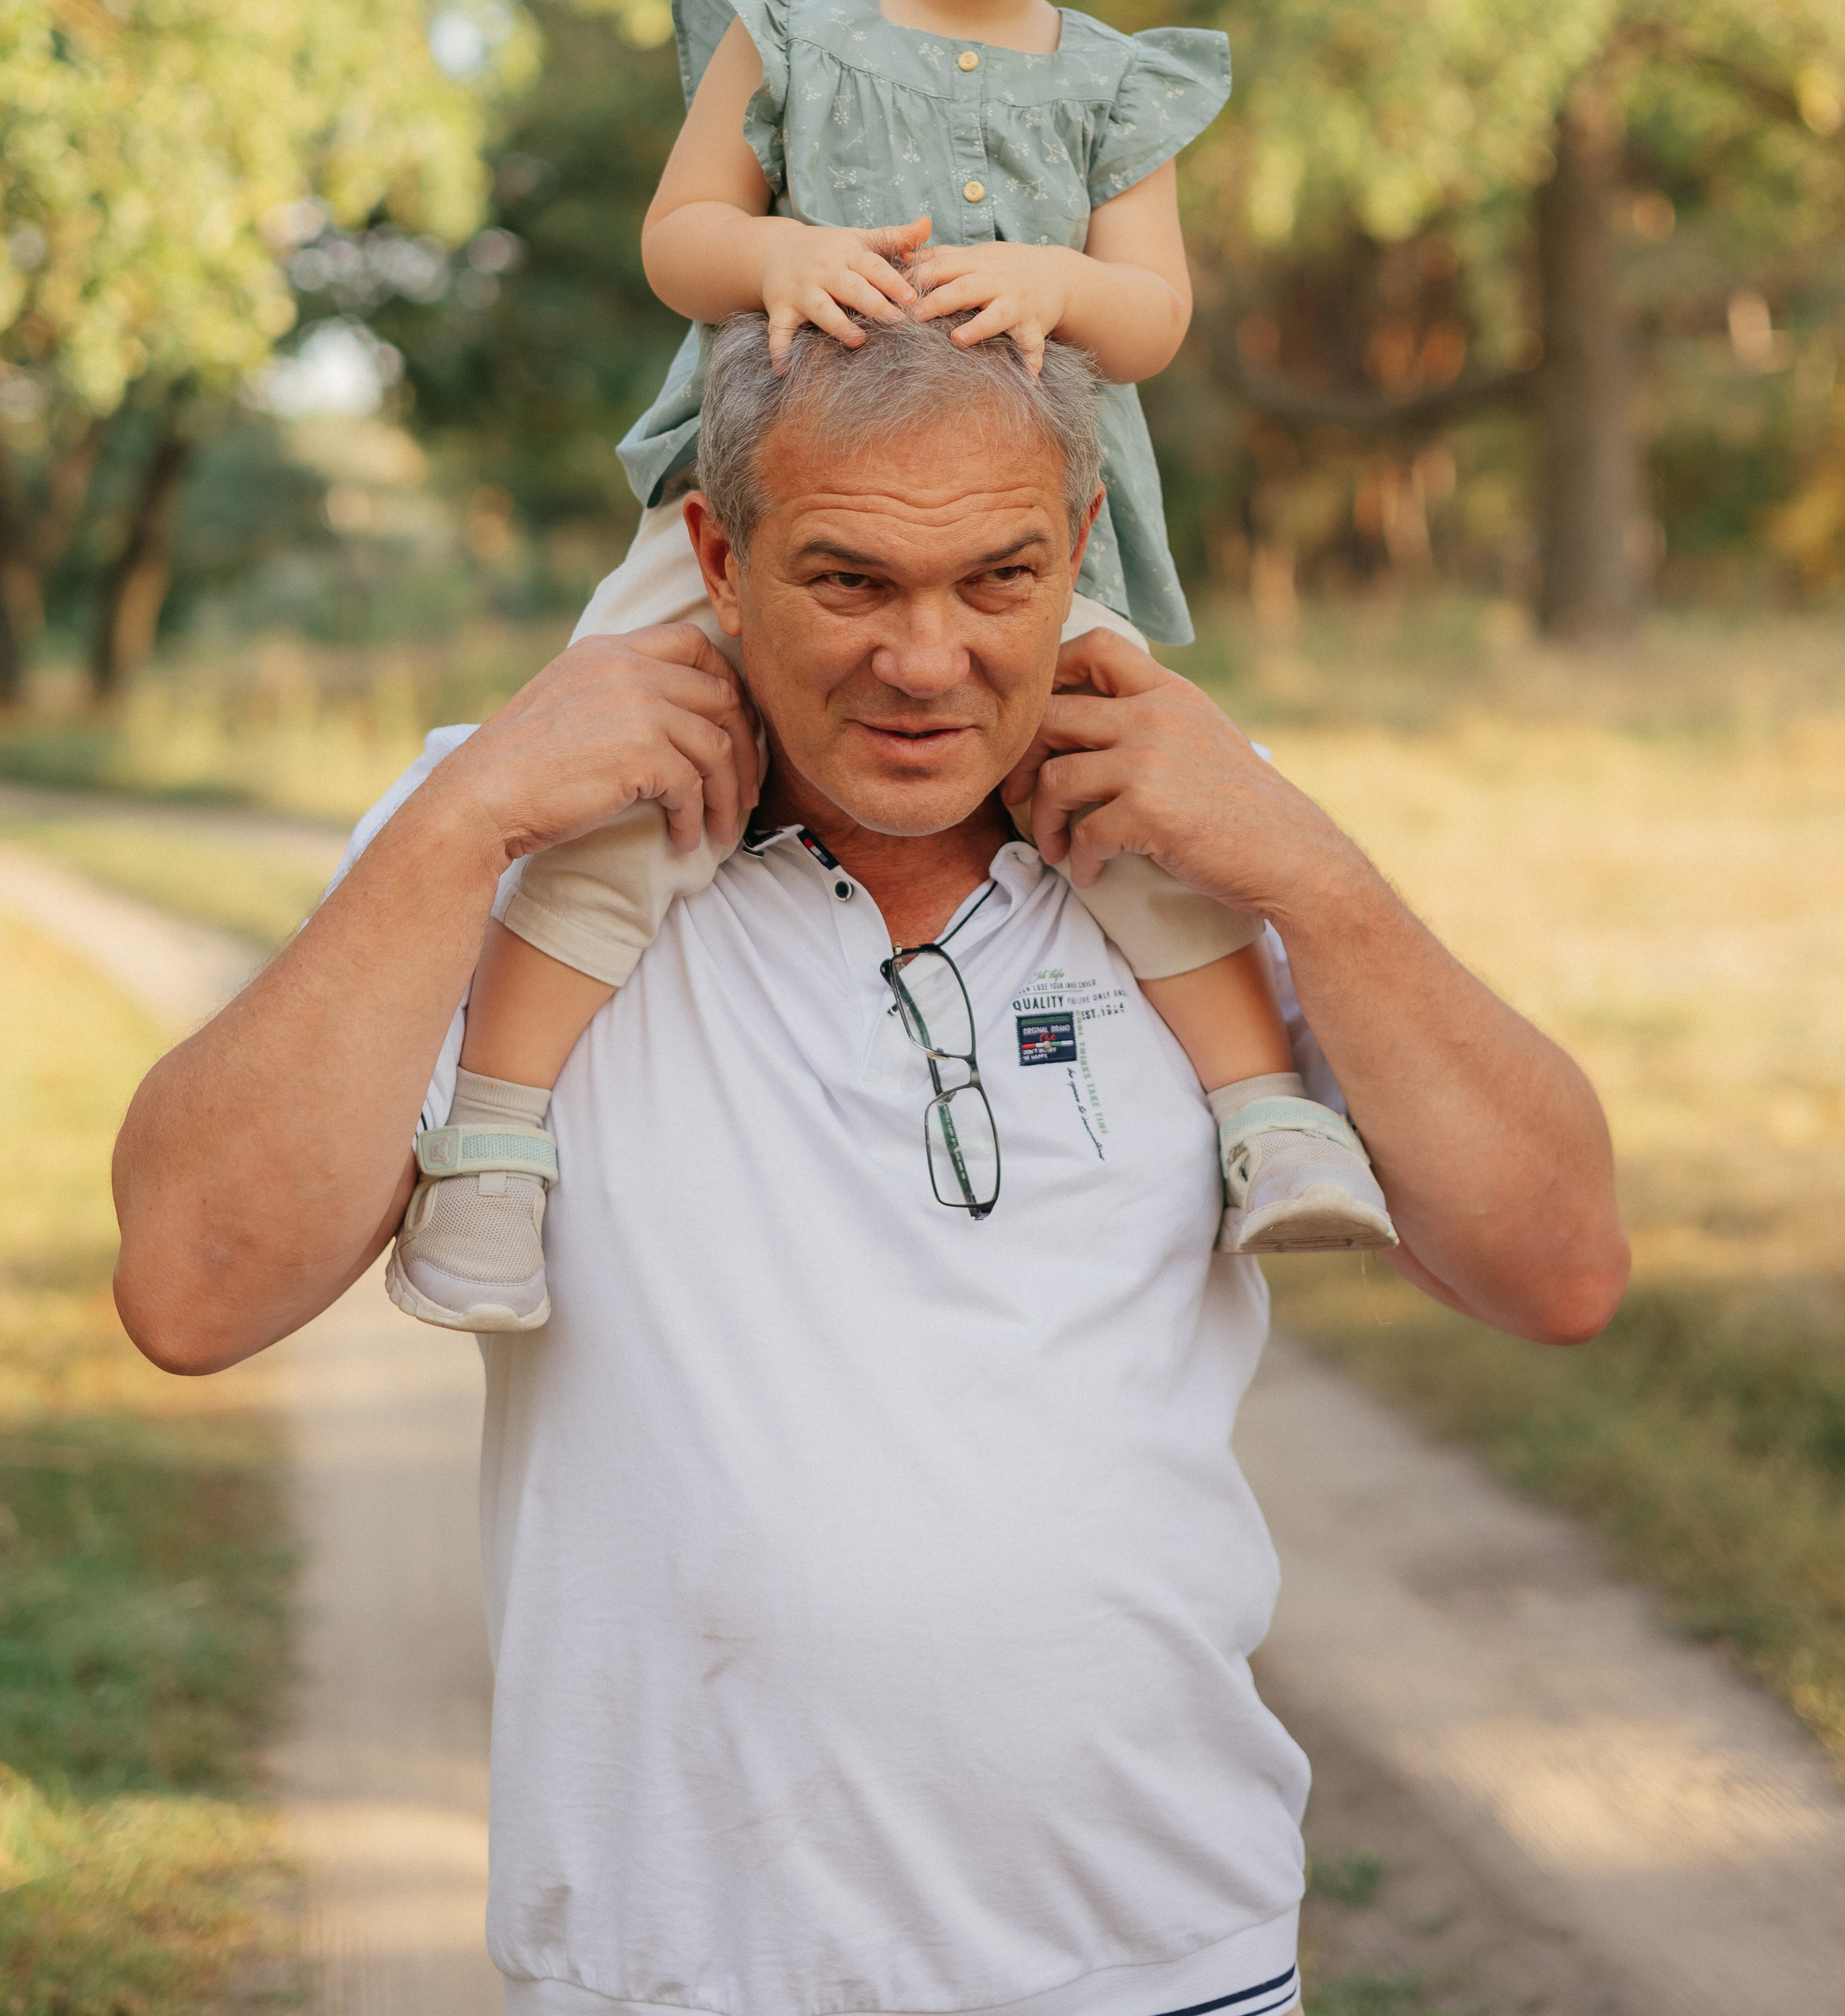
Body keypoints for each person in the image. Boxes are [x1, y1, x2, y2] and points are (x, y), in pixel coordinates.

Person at [112, 311, 1629, 2016]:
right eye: (848, 581)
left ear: (1080, 557)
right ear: (717, 555)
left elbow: (1554, 1262)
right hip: (672, 1975)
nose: (926, 660)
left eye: (999, 579)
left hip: (1161, 1964)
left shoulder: (1203, 844)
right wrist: (467, 818)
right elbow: (192, 1285)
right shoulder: (522, 847)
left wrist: (1314, 872)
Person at [389, 0, 1394, 1339]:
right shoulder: (791, 22)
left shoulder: (1110, 85)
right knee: (626, 773)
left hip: (1025, 531)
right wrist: (778, 249)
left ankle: (1263, 1113)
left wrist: (1047, 278)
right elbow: (676, 239)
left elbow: (1147, 318)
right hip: (761, 494)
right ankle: (494, 1143)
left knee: (1133, 786)